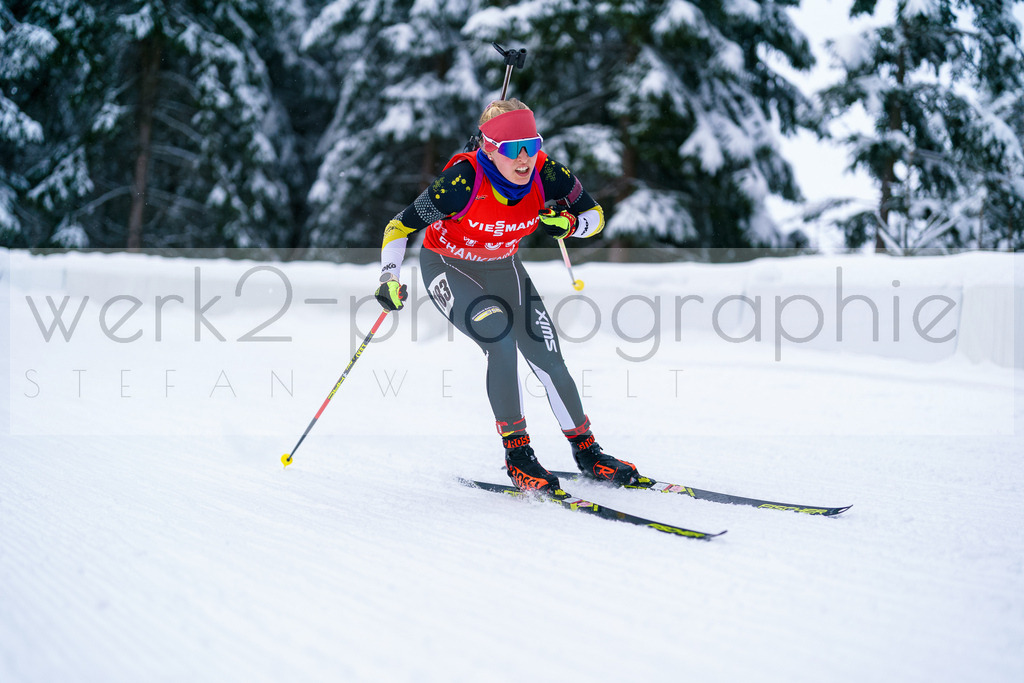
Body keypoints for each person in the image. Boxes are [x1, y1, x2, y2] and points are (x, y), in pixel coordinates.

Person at [373, 99, 639, 493]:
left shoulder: (547, 172)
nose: (525, 158)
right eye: (513, 149)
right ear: (490, 148)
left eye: (532, 145)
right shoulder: (461, 182)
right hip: (448, 266)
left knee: (548, 355)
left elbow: (595, 217)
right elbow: (398, 227)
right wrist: (388, 277)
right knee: (499, 340)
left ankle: (588, 452)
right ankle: (518, 456)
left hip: (504, 268)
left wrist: (569, 223)